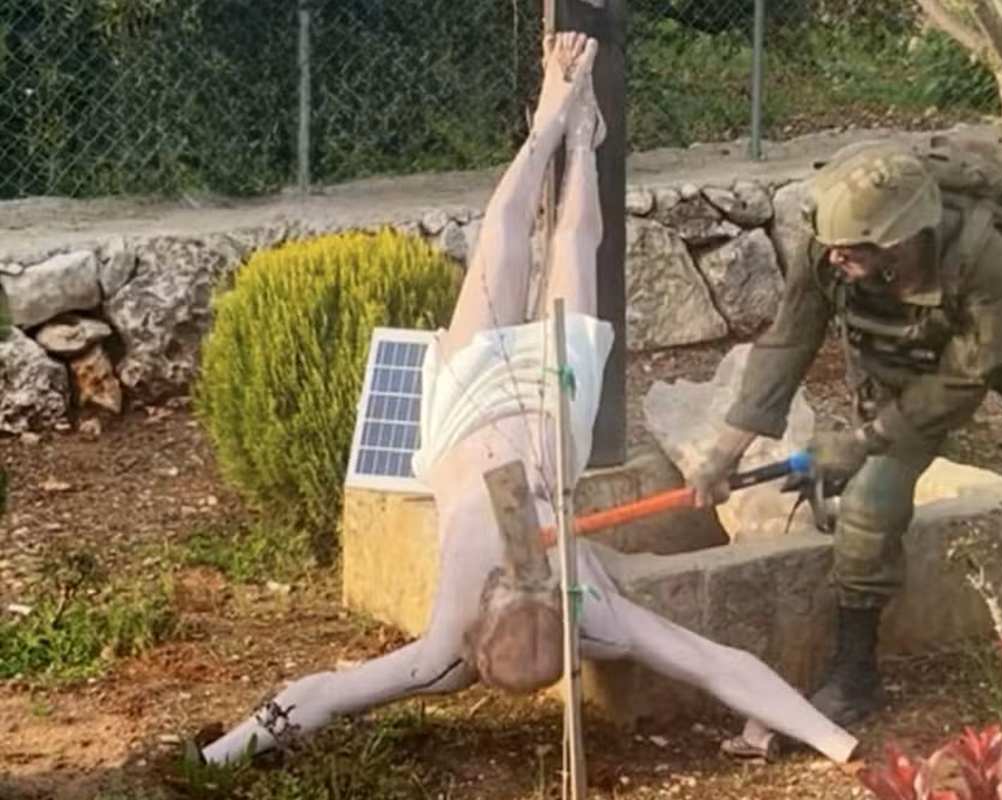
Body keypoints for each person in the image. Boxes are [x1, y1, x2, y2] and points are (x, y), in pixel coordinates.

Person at [196, 32, 857, 768]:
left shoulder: (447, 654)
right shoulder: (595, 620)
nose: (524, 572)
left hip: (463, 417)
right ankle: (576, 137)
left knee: (501, 244)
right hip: (547, 418)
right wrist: (840, 743)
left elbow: (319, 693)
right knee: (574, 244)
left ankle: (552, 126)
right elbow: (717, 663)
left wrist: (216, 757)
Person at [691, 142, 1002, 729]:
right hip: (915, 363)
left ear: (900, 238)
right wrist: (723, 453)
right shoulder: (828, 251)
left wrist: (863, 438)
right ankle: (855, 675)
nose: (836, 256)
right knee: (869, 502)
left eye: (853, 247)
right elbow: (787, 343)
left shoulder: (981, 255)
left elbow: (971, 373)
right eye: (833, 244)